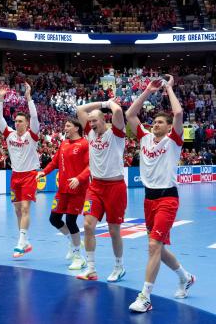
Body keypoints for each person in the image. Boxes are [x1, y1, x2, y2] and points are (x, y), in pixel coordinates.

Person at [125, 76, 196, 312]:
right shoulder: (145, 137)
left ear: (167, 127)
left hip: (167, 198)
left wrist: (168, 88)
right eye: (153, 121)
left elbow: (178, 114)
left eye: (159, 122)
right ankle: (185, 277)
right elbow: (130, 116)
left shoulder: (173, 141)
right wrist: (147, 90)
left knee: (154, 246)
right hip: (149, 199)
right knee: (159, 248)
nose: (154, 124)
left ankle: (145, 297)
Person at [75, 97, 127, 282]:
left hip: (115, 187)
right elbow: (80, 108)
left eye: (95, 120)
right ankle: (91, 269)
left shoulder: (116, 133)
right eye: (90, 122)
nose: (91, 124)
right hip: (95, 186)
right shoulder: (89, 133)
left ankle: (119, 266)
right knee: (88, 225)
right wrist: (103, 103)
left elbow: (119, 112)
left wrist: (108, 106)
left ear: (104, 121)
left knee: (114, 230)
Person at [36, 118, 90, 270]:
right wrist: (43, 173)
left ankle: (79, 257)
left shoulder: (85, 144)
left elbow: (90, 166)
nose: (65, 128)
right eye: (65, 125)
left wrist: (79, 179)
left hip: (77, 189)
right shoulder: (64, 144)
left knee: (71, 221)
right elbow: (54, 162)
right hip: (63, 189)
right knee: (54, 219)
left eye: (68, 126)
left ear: (77, 128)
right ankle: (73, 241)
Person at [0, 83, 40, 258]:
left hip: (29, 174)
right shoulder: (9, 134)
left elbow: (35, 116)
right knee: (17, 210)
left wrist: (29, 98)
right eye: (16, 121)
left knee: (25, 207)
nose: (17, 123)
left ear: (27, 123)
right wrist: (0, 99)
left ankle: (21, 241)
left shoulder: (32, 135)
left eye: (20, 121)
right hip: (15, 175)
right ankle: (25, 240)